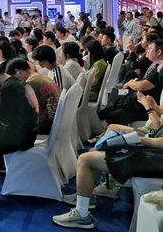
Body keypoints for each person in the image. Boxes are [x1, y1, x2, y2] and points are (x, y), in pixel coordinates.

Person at [52, 93, 163, 229]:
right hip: (153, 152)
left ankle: (82, 214)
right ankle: (87, 197)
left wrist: (139, 140)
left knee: (85, 159)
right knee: (93, 153)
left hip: (154, 158)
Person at [99, 39, 163, 125]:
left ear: (158, 52)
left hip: (143, 106)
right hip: (137, 100)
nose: (147, 50)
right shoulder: (155, 65)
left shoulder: (159, 70)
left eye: (150, 48)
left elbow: (142, 85)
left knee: (111, 115)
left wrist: (130, 83)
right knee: (116, 94)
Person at [7, 58, 60, 134]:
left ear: (18, 71)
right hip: (55, 120)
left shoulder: (31, 83)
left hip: (47, 124)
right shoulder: (41, 77)